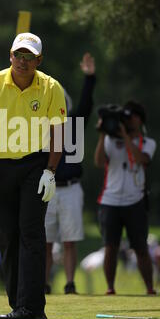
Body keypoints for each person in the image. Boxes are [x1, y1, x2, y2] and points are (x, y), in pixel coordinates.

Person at [0, 32, 66, 319]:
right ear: (10, 56)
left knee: (31, 233)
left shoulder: (51, 87)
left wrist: (50, 171)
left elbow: (59, 134)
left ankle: (32, 307)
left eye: (29, 57)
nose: (22, 62)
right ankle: (19, 305)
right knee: (8, 236)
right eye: (18, 56)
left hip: (35, 164)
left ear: (39, 60)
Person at [45, 53, 96, 294]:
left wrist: (89, 78)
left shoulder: (74, 123)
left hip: (71, 188)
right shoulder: (41, 127)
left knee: (69, 240)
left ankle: (69, 283)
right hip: (48, 187)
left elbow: (86, 104)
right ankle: (43, 283)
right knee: (44, 241)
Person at [94, 100, 157, 295]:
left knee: (140, 247)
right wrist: (103, 132)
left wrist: (126, 137)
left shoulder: (148, 142)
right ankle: (110, 288)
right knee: (110, 247)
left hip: (134, 200)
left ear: (140, 120)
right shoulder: (109, 140)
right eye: (125, 118)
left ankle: (149, 288)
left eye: (131, 118)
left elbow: (142, 159)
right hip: (110, 201)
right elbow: (98, 162)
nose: (128, 122)